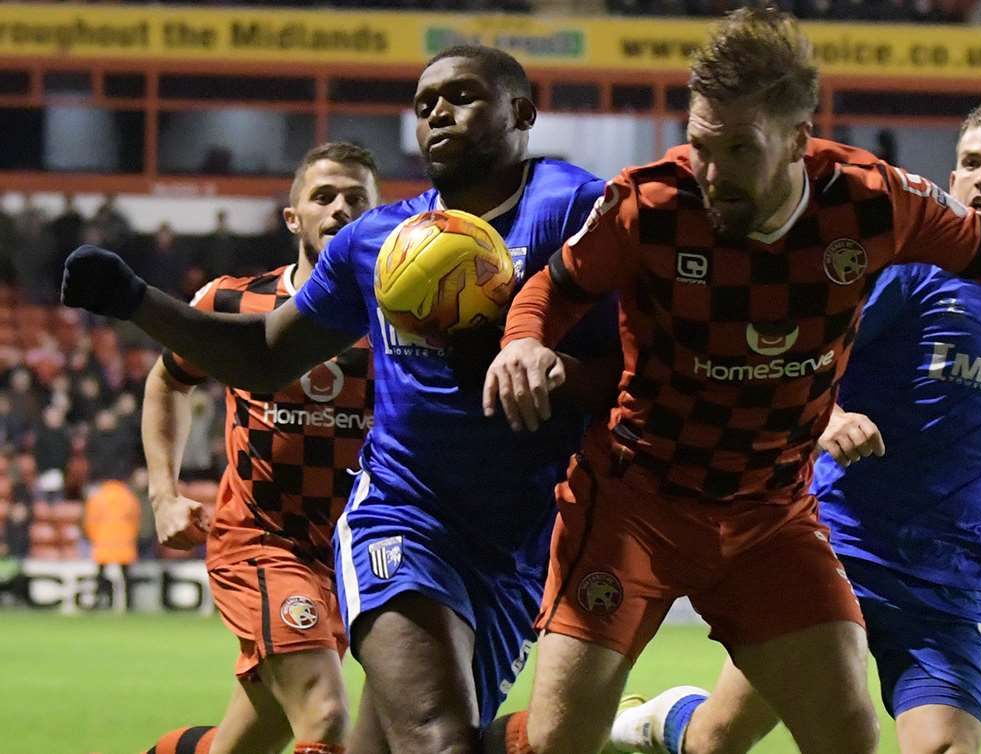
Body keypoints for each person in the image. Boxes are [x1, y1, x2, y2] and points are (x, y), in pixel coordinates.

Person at [479, 9, 981, 754]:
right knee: (567, 742)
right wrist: (521, 341)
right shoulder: (649, 201)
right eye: (699, 145)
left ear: (796, 141)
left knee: (844, 735)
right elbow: (554, 286)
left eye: (736, 150)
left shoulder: (871, 201)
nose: (711, 173)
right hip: (641, 500)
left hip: (773, 515)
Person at [62, 45, 619, 754]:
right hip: (402, 514)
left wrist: (555, 368)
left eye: (461, 96)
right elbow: (263, 355)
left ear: (522, 112)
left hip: (519, 546)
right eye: (423, 105)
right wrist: (136, 300)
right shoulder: (378, 241)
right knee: (437, 742)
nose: (437, 113)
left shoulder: (579, 210)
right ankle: (631, 729)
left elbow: (636, 371)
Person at [607, 98, 981, 754]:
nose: (980, 178)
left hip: (948, 586)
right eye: (968, 163)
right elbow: (791, 356)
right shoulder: (912, 271)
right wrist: (829, 416)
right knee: (716, 741)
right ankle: (653, 722)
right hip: (839, 553)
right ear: (950, 180)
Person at [140, 141, 380, 754]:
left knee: (255, 735)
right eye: (323, 196)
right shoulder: (232, 303)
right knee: (325, 718)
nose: (340, 209)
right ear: (293, 217)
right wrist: (163, 493)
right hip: (262, 540)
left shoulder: (403, 320)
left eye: (357, 199)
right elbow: (168, 379)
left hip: (352, 556)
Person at [83, 477, 141, 610]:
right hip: (125, 544)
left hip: (103, 544)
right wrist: (131, 536)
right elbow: (136, 521)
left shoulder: (97, 498)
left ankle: (101, 602)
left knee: (100, 575)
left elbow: (90, 522)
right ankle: (129, 604)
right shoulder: (129, 497)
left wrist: (94, 537)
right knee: (126, 576)